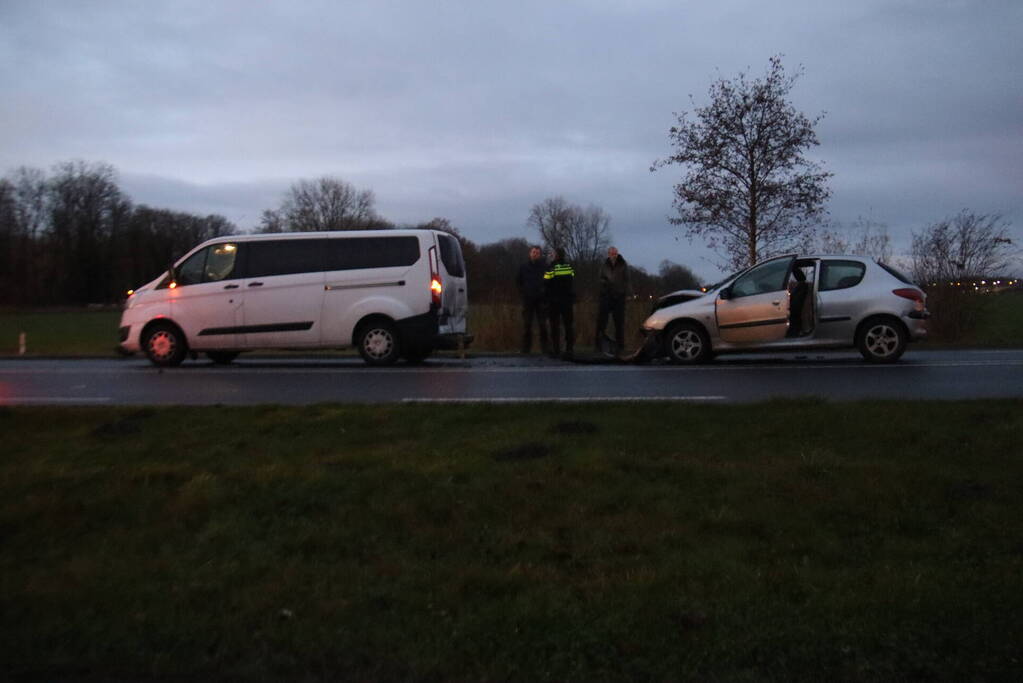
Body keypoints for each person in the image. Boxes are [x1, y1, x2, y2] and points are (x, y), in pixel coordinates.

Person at [596, 246, 631, 354]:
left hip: (619, 297)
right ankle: (598, 345)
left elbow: (627, 280)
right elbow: (600, 278)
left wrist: (628, 294)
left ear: (617, 253)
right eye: (611, 253)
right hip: (606, 296)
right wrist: (604, 286)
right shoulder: (604, 265)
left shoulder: (623, 264)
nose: (613, 255)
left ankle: (620, 346)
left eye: (615, 253)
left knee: (619, 323)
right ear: (608, 254)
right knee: (602, 322)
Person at [516, 245, 549, 354]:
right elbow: (518, 282)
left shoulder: (545, 267)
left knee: (542, 325)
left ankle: (545, 349)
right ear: (530, 254)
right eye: (533, 252)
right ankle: (525, 349)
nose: (535, 254)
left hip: (541, 300)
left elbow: (549, 282)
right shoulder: (523, 267)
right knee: (527, 325)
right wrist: (523, 293)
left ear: (540, 255)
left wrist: (544, 292)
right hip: (528, 300)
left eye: (537, 253)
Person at [544, 247, 576, 359]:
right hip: (567, 300)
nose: (552, 255)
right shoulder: (569, 266)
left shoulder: (552, 267)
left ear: (556, 255)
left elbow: (546, 282)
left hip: (554, 301)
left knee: (554, 326)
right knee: (568, 325)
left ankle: (556, 349)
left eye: (553, 254)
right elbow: (572, 279)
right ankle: (570, 349)